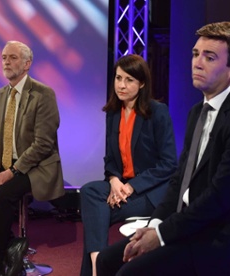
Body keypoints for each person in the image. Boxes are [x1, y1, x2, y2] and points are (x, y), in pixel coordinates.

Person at [96, 21, 230, 275]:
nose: (197, 62)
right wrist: (155, 224)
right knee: (107, 259)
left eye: (210, 57)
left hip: (226, 238)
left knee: (130, 272)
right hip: (193, 225)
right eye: (196, 54)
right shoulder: (197, 112)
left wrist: (160, 235)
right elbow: (180, 179)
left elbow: (219, 198)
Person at [0, 40, 64, 276]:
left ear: (27, 63)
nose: (6, 62)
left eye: (13, 57)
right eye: (4, 57)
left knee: (1, 195)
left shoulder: (43, 94)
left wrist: (12, 172)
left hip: (35, 167)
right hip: (6, 164)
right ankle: (12, 246)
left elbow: (43, 144)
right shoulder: (0, 95)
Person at [80, 54, 178, 276]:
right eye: (118, 78)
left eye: (129, 80)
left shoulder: (157, 112)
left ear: (142, 83)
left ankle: (96, 269)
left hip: (151, 192)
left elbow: (169, 163)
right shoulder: (113, 113)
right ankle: (99, 265)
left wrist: (132, 186)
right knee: (89, 192)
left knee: (95, 215)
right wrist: (114, 180)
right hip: (122, 187)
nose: (121, 85)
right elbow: (111, 160)